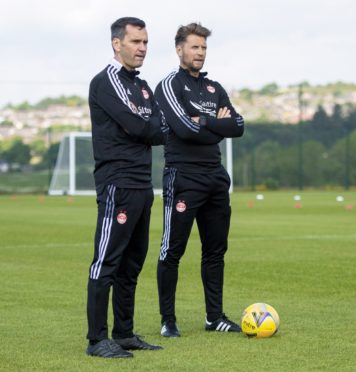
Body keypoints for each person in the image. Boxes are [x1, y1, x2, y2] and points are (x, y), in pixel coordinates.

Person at [154, 23, 245, 337]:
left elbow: (238, 125)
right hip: (183, 178)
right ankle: (168, 320)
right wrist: (215, 125)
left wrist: (204, 120)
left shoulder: (214, 88)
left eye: (203, 48)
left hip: (215, 178)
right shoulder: (168, 85)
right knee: (172, 250)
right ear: (179, 49)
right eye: (194, 47)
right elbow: (183, 129)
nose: (200, 53)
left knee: (215, 251)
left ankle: (214, 317)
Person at [86, 17, 166, 357]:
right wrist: (146, 124)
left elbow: (160, 128)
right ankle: (96, 340)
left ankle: (124, 333)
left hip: (142, 185)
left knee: (132, 263)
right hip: (117, 183)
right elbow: (138, 125)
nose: (143, 48)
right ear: (117, 44)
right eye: (136, 41)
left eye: (145, 42)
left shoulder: (143, 87)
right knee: (106, 262)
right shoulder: (106, 81)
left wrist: (146, 124)